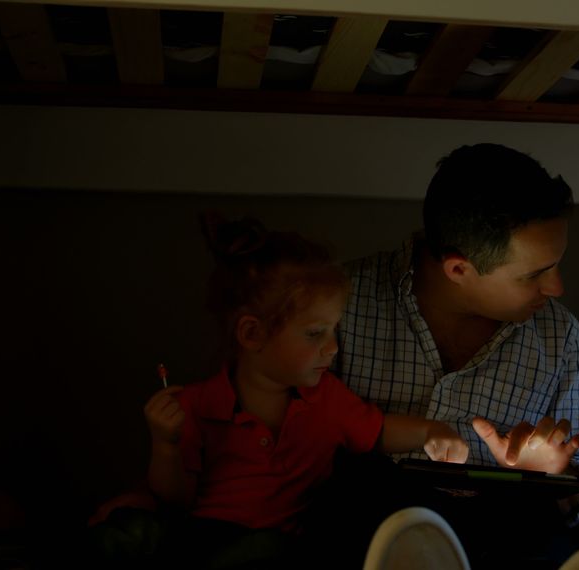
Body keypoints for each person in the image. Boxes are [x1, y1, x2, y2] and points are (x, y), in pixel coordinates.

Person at [88, 216, 469, 569]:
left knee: (264, 550)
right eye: (314, 333)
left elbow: (377, 431)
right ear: (253, 335)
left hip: (277, 550)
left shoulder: (326, 400)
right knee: (128, 530)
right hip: (200, 536)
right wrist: (166, 445)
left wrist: (429, 432)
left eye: (333, 330)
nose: (333, 347)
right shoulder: (198, 405)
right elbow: (176, 500)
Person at [321, 144, 579, 566]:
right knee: (359, 489)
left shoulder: (558, 336)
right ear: (458, 270)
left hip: (505, 525)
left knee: (546, 538)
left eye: (556, 265)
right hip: (374, 516)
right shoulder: (339, 302)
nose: (556, 288)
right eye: (534, 274)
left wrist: (550, 477)